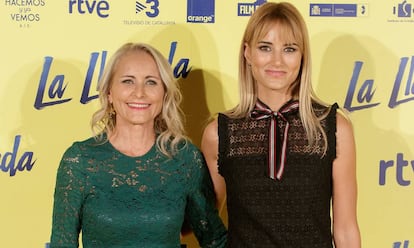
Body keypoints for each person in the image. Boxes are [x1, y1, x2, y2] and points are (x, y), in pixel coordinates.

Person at [201, 2, 361, 247]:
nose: (277, 61)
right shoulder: (219, 134)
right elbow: (206, 223)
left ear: (302, 56)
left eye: (289, 49)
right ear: (247, 53)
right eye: (265, 47)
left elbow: (346, 230)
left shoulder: (334, 129)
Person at [50, 42, 227, 248]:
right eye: (128, 81)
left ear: (164, 93)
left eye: (151, 82)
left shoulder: (184, 158)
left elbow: (215, 239)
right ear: (109, 92)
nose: (139, 93)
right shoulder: (79, 160)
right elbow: (61, 243)